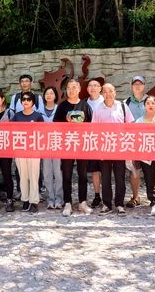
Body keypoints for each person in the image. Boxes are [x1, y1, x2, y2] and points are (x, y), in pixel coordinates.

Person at [92, 83, 134, 216]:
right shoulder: (98, 109)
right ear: (102, 94)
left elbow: (130, 126)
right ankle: (107, 204)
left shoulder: (122, 106)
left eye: (110, 91)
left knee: (120, 177)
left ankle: (120, 204)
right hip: (104, 148)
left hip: (120, 149)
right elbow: (94, 129)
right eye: (105, 92)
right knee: (105, 178)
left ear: (115, 92)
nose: (108, 94)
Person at [53, 79, 93, 216]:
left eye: (74, 87)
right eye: (69, 88)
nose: (71, 90)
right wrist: (67, 123)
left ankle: (82, 202)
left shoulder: (85, 105)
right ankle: (67, 202)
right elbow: (56, 125)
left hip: (81, 144)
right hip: (67, 144)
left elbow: (91, 125)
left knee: (83, 175)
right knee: (67, 174)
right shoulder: (62, 106)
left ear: (79, 89)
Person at [12, 91, 44, 214]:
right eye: (24, 99)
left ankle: (34, 201)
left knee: (34, 176)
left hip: (34, 149)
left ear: (33, 102)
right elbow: (11, 132)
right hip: (20, 149)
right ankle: (25, 199)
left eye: (28, 99)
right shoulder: (16, 116)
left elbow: (42, 134)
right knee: (23, 176)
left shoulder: (38, 116)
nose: (26, 101)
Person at [124, 76, 149, 209]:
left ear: (144, 86)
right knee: (134, 169)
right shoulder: (126, 103)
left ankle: (153, 198)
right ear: (131, 86)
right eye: (135, 84)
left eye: (140, 84)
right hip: (132, 141)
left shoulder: (151, 101)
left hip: (148, 140)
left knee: (152, 171)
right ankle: (135, 197)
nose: (138, 86)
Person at [41, 86, 63, 210]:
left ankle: (59, 198)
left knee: (58, 172)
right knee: (47, 172)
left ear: (55, 96)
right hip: (44, 145)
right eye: (47, 93)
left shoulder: (59, 109)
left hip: (57, 144)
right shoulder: (39, 110)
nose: (49, 95)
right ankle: (50, 198)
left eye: (51, 93)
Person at [86, 79, 104, 208]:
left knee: (106, 170)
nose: (93, 88)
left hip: (106, 140)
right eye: (90, 86)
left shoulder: (106, 102)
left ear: (100, 88)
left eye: (95, 85)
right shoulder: (83, 103)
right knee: (95, 170)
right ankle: (97, 195)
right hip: (91, 141)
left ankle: (108, 195)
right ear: (87, 89)